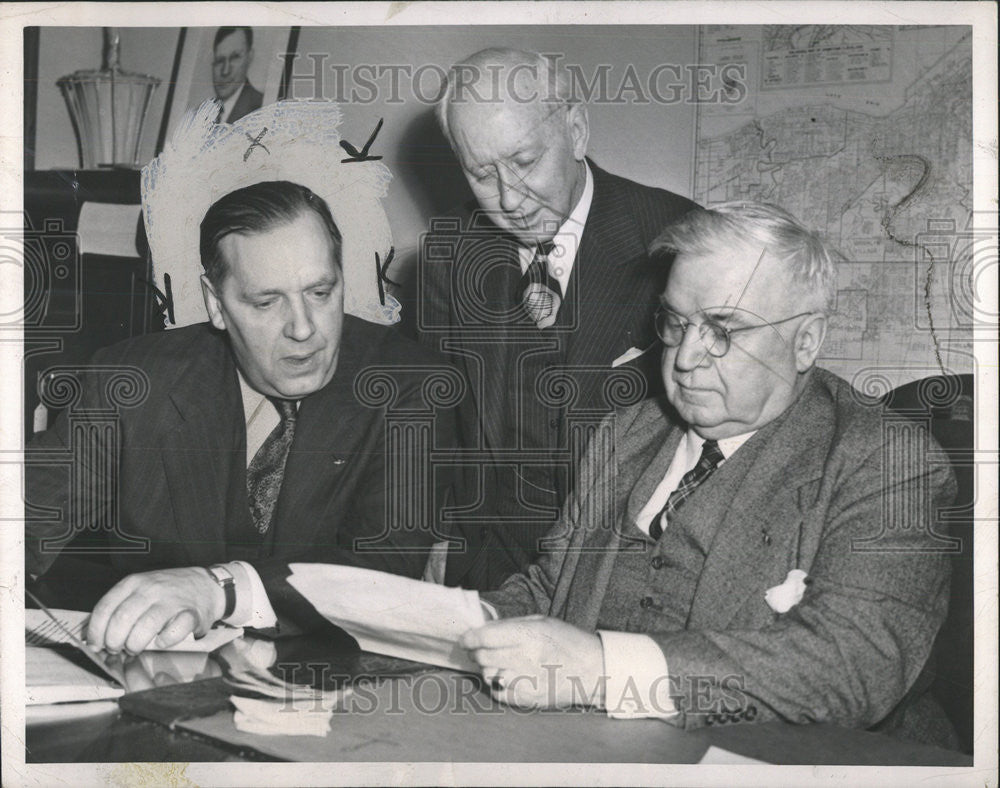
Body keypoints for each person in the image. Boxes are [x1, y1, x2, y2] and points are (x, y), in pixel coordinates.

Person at [459, 202, 956, 745]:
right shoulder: (623, 432)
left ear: (806, 341)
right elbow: (552, 586)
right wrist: (458, 624)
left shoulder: (886, 460)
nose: (685, 357)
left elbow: (854, 665)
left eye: (723, 329)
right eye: (675, 322)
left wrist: (599, 668)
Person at [26, 180, 455, 654]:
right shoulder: (131, 382)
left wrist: (221, 589)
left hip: (329, 691)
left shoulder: (408, 386)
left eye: (319, 291)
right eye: (266, 302)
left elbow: (384, 571)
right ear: (216, 302)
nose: (303, 329)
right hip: (156, 686)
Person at [418, 48, 698, 590]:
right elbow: (433, 415)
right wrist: (435, 537)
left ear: (575, 130)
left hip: (625, 573)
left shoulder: (682, 242)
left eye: (524, 162)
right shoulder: (446, 257)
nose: (509, 199)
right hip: (485, 566)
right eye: (481, 174)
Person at [212, 26, 263, 123]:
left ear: (249, 57)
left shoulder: (262, 107)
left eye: (235, 57)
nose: (225, 71)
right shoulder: (201, 114)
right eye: (219, 60)